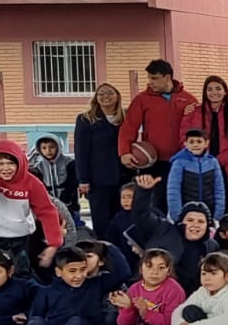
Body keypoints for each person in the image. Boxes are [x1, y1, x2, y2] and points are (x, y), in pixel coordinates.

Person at [0, 140, 64, 278]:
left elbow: (47, 211)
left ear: (20, 164)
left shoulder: (31, 182)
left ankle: (22, 298)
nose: (6, 168)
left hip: (19, 238)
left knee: (20, 272)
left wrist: (54, 243)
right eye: (1, 164)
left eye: (11, 163)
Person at [119, 59, 199, 199]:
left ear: (167, 77)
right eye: (149, 78)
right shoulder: (142, 99)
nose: (150, 82)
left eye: (154, 78)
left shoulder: (189, 99)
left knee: (181, 203)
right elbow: (129, 127)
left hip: (182, 160)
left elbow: (199, 128)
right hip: (153, 163)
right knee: (156, 205)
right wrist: (124, 152)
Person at [89, 248, 186, 325]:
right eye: (149, 266)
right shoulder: (134, 289)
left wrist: (146, 312)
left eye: (161, 268)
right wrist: (127, 308)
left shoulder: (174, 289)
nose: (155, 272)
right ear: (141, 269)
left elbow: (170, 323)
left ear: (168, 271)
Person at [125, 174, 217, 293]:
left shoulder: (212, 246)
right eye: (190, 220)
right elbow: (141, 215)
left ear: (207, 226)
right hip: (153, 293)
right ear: (180, 222)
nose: (195, 225)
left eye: (201, 221)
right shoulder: (163, 229)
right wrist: (144, 192)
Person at [180, 76, 228, 215]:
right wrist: (200, 159)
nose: (214, 92)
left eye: (218, 88)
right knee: (201, 210)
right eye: (209, 89)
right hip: (199, 168)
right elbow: (183, 138)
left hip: (226, 169)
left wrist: (218, 161)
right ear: (205, 92)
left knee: (225, 210)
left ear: (225, 91)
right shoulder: (193, 111)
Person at [75, 85, 128, 241]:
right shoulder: (85, 119)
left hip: (123, 176)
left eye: (109, 93)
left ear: (117, 96)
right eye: (101, 93)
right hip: (98, 179)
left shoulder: (126, 117)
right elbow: (81, 151)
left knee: (121, 218)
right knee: (101, 221)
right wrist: (83, 179)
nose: (105, 96)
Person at [165, 129, 224, 220]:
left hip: (208, 213)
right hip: (185, 213)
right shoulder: (179, 163)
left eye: (199, 141)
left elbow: (219, 190)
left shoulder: (213, 162)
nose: (195, 145)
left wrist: (217, 216)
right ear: (185, 144)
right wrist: (177, 217)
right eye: (191, 142)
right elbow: (173, 191)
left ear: (206, 143)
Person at [27, 134, 78, 214]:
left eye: (52, 147)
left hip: (69, 204)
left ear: (58, 147)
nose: (48, 151)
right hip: (48, 206)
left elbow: (72, 184)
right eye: (44, 148)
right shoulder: (38, 168)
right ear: (39, 149)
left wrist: (66, 199)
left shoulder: (70, 163)